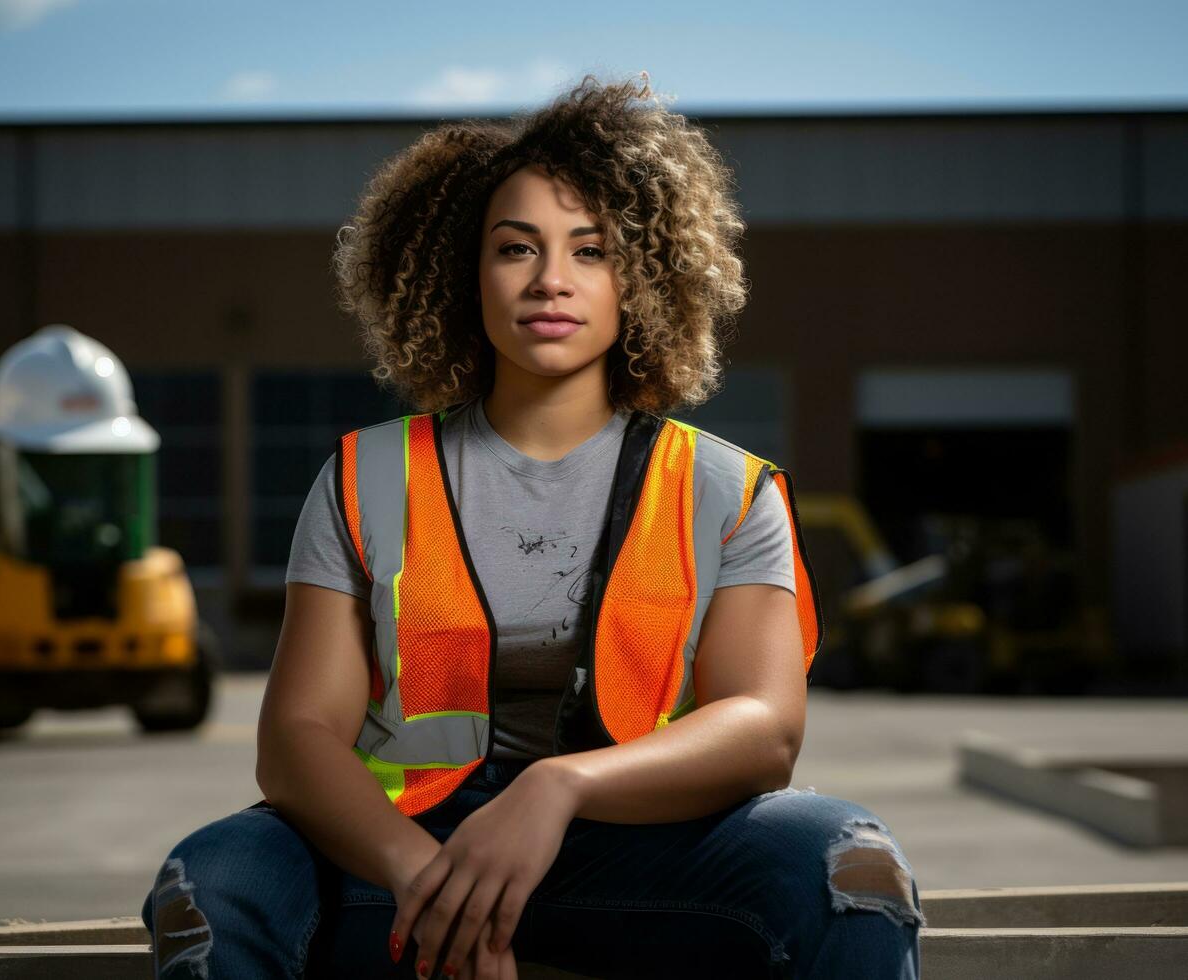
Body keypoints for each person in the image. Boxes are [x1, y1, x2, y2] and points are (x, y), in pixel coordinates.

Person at [141, 72, 925, 979]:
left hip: (645, 850)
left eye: (590, 250)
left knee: (849, 867)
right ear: (462, 273)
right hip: (401, 861)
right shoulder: (366, 476)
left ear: (643, 277)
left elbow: (764, 729)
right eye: (516, 249)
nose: (551, 279)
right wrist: (431, 884)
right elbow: (295, 742)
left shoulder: (728, 488)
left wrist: (562, 784)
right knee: (215, 880)